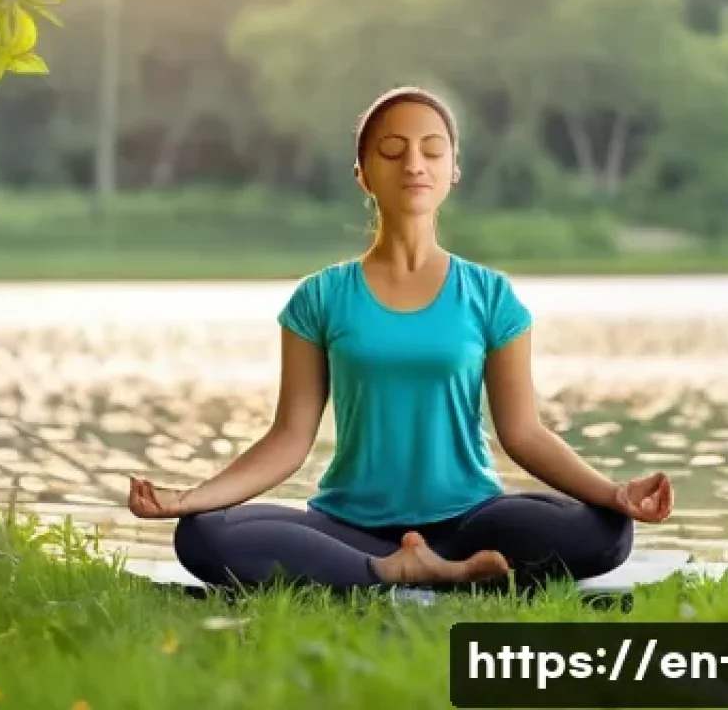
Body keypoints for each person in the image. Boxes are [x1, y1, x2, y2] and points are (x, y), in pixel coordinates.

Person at [128, 85, 673, 596]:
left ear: (452, 169)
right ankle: (396, 571)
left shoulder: (490, 295)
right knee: (201, 534)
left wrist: (613, 493)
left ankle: (412, 569)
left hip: (470, 521)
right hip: (347, 526)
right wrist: (189, 498)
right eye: (392, 151)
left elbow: (524, 434)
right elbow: (289, 441)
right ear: (363, 174)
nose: (414, 164)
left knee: (607, 531)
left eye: (432, 151)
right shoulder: (320, 297)